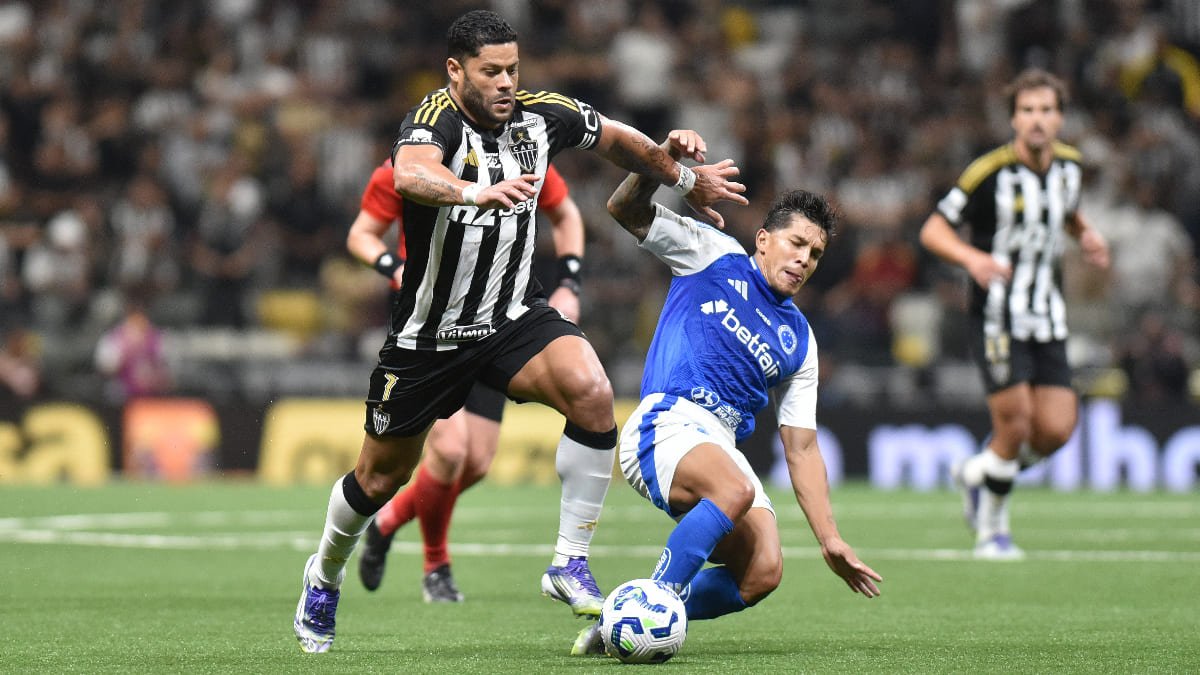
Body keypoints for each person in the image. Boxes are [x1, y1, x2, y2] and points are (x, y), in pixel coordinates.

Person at [293, 10, 747, 654]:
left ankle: (568, 562)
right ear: (456, 71)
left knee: (591, 389)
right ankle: (324, 572)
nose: (506, 82)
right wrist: (474, 194)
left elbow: (618, 139)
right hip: (431, 335)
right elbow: (410, 174)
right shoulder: (433, 121)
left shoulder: (542, 115)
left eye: (513, 68)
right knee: (377, 479)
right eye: (490, 71)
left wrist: (682, 175)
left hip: (510, 316)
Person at [574, 129, 881, 654]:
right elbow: (622, 206)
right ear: (763, 240)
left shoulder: (800, 342)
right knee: (733, 489)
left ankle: (615, 623)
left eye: (815, 253)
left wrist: (830, 538)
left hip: (718, 445)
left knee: (762, 572)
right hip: (665, 422)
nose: (804, 260)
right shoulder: (712, 254)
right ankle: (650, 608)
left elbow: (801, 448)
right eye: (796, 243)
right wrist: (665, 160)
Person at [345, 157, 586, 603]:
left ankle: (387, 521)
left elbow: (565, 212)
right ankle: (436, 567)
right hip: (429, 332)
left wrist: (569, 280)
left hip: (496, 328)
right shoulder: (409, 163)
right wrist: (390, 266)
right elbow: (360, 233)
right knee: (451, 451)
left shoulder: (523, 151)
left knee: (474, 463)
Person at [919, 68, 1110, 560]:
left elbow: (1063, 211)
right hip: (997, 317)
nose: (1038, 120)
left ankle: (977, 470)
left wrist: (1085, 234)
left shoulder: (1070, 166)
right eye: (1027, 111)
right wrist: (972, 258)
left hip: (1048, 315)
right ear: (1013, 119)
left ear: (1061, 117)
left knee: (1056, 430)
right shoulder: (987, 173)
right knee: (1016, 424)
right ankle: (992, 531)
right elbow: (933, 230)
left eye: (1047, 110)